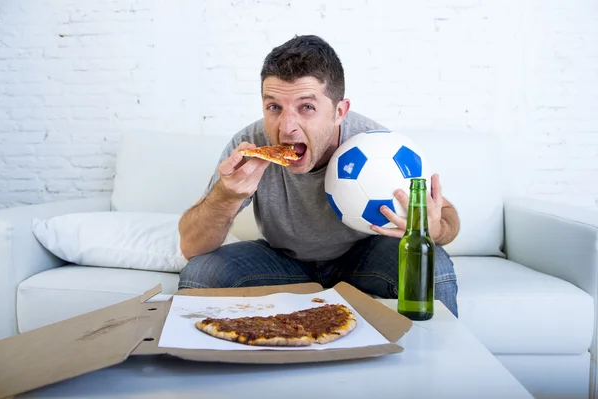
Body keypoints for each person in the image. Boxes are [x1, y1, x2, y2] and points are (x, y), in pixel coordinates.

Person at [178, 34, 461, 317]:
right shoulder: (250, 146)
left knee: (434, 268)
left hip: (365, 255)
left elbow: (447, 217)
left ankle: (435, 361)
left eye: (307, 107)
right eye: (274, 107)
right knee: (200, 273)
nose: (287, 127)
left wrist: (433, 229)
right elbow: (192, 247)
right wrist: (226, 195)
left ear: (339, 111)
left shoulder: (378, 147)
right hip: (284, 260)